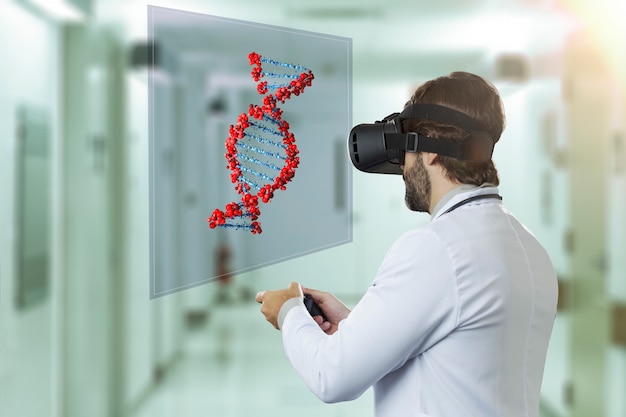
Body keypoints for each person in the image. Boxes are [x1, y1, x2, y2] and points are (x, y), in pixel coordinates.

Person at [255, 72, 558, 417]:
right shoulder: (529, 248)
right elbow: (459, 348)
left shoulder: (436, 247)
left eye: (407, 152)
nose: (402, 168)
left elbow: (331, 376)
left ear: (429, 150)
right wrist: (359, 326)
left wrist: (289, 311)